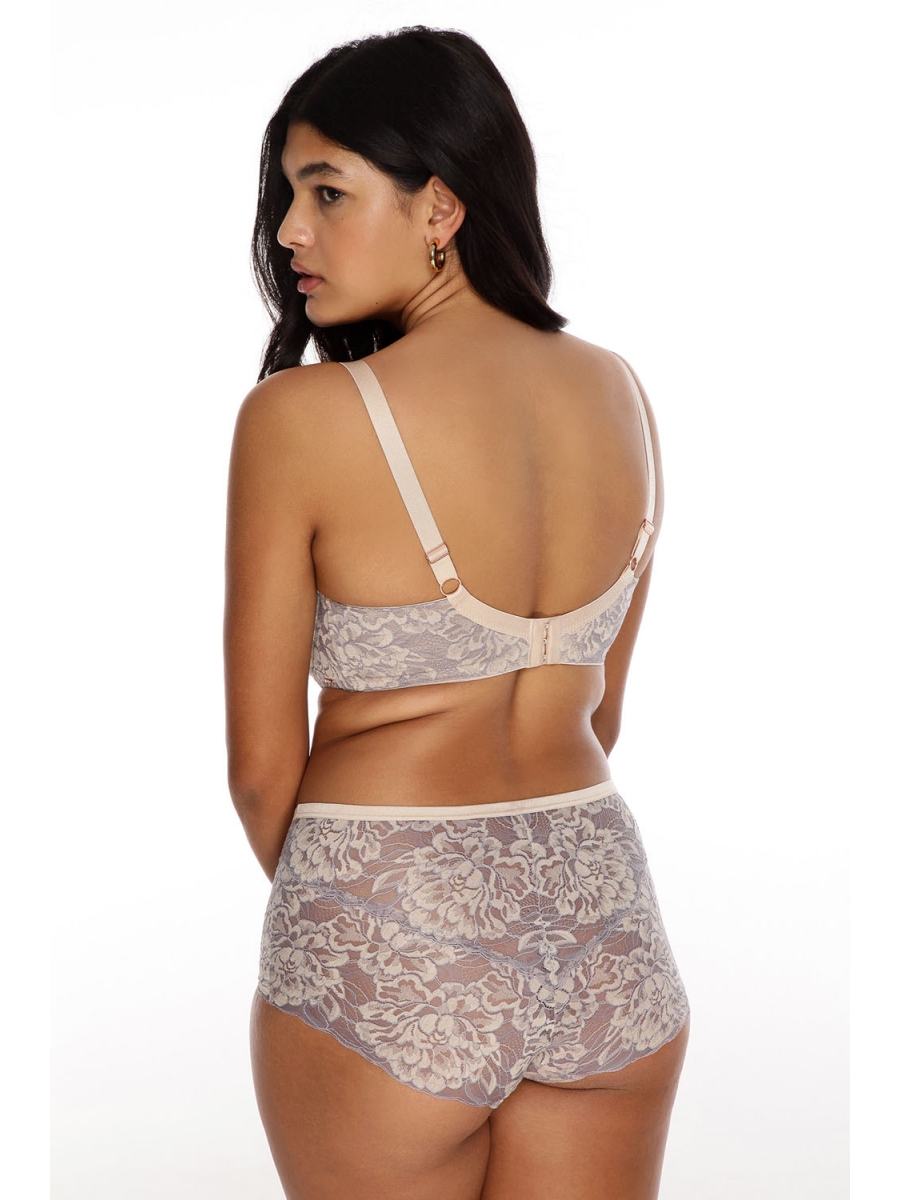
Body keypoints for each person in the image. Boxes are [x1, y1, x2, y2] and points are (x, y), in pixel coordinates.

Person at [224, 25, 690, 1200]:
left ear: (439, 205)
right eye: (288, 197)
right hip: (602, 920)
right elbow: (600, 711)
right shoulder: (620, 393)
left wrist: (367, 925)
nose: (289, 232)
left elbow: (263, 771)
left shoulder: (302, 417)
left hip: (389, 916)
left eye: (327, 191)